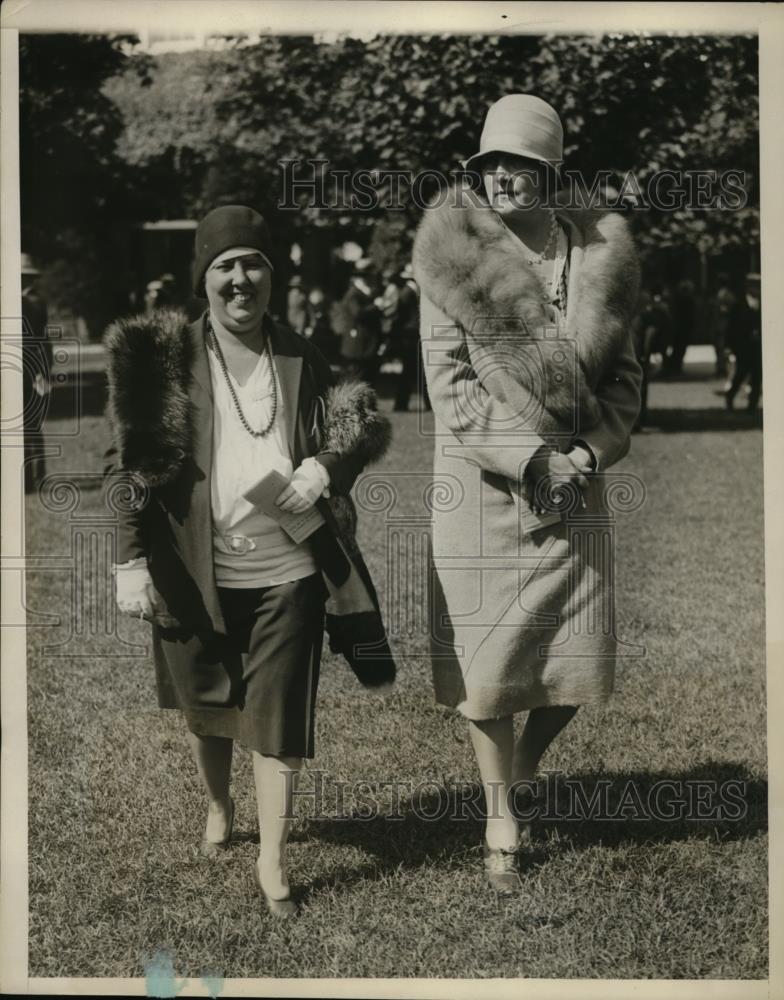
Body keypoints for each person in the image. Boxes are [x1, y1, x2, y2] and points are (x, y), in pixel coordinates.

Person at [103, 205, 394, 918]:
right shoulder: (160, 354)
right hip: (189, 567)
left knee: (276, 717)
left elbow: (358, 424)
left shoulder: (301, 352)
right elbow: (126, 461)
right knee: (209, 707)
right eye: (224, 266)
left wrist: (324, 469)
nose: (241, 279)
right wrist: (129, 560)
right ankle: (217, 803)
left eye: (253, 263)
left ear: (272, 273)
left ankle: (272, 860)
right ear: (203, 279)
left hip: (289, 570)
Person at [412, 94, 642, 894]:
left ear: (552, 172)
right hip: (481, 488)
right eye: (491, 166)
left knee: (576, 662)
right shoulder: (449, 254)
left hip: (575, 484)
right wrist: (531, 459)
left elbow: (625, 379)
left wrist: (588, 448)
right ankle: (500, 812)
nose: (504, 179)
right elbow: (450, 388)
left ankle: (524, 768)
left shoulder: (600, 254)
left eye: (522, 166)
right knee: (487, 668)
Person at [21, 252, 52, 494]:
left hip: (27, 367)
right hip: (34, 367)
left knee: (28, 423)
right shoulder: (36, 301)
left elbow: (36, 340)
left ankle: (33, 477)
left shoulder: (27, 303)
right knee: (31, 423)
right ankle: (36, 475)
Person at [332, 259, 383, 382]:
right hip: (357, 347)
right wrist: (376, 306)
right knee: (355, 379)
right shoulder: (353, 294)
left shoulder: (368, 293)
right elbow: (358, 313)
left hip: (367, 345)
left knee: (368, 379)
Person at [391, 263, 430, 413]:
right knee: (413, 372)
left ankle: (409, 403)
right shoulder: (407, 293)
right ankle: (402, 403)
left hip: (413, 336)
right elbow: (401, 317)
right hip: (410, 337)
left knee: (417, 371)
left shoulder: (412, 291)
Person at [725, 272, 762, 412]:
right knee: (740, 374)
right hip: (743, 347)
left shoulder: (764, 303)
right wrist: (729, 346)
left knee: (757, 376)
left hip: (757, 347)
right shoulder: (738, 305)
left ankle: (752, 406)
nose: (757, 289)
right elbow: (731, 327)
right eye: (754, 286)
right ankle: (730, 395)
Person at [711, 272, 736, 379]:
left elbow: (732, 309)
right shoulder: (719, 294)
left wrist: (723, 309)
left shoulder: (728, 295)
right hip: (718, 324)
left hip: (724, 325)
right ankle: (719, 368)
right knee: (717, 348)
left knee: (722, 348)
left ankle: (722, 369)